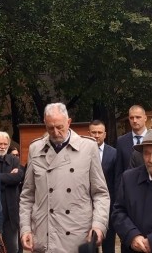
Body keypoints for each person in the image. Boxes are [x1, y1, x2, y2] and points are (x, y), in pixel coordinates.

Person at [19, 103, 109, 252]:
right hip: (44, 236)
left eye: (60, 127)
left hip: (78, 237)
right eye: (50, 128)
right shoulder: (35, 149)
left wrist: (98, 225)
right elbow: (27, 196)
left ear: (69, 122)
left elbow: (100, 193)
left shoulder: (88, 147)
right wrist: (25, 229)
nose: (55, 132)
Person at [0, 131, 24, 253]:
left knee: (12, 248)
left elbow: (19, 177)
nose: (2, 147)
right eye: (0, 143)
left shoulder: (14, 159)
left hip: (11, 213)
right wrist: (8, 177)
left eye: (5, 144)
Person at [89, 120, 117, 253]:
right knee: (90, 245)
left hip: (108, 207)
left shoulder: (114, 153)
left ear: (105, 134)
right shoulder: (81, 153)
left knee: (108, 246)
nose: (96, 135)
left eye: (99, 132)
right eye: (93, 132)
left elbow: (116, 180)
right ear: (89, 133)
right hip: (87, 207)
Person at [115, 105, 148, 190]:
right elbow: (119, 170)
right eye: (131, 118)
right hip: (129, 189)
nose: (134, 120)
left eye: (138, 117)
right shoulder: (121, 141)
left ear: (145, 118)